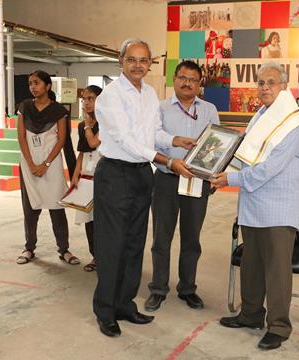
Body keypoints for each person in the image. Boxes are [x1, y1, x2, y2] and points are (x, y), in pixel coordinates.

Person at [92, 38, 194, 338]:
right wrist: (166, 160)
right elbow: (125, 140)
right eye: (132, 59)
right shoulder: (109, 96)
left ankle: (125, 304)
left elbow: (152, 133)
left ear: (151, 63)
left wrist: (175, 141)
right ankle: (105, 310)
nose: (138, 65)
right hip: (115, 174)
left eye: (143, 60)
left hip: (141, 174)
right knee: (112, 245)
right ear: (121, 60)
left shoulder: (150, 93)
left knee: (135, 244)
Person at [211, 62, 299, 351]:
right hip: (254, 204)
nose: (264, 87)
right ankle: (251, 315)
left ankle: (279, 326)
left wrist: (228, 178)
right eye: (260, 82)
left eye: (271, 82)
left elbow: (269, 169)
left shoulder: (293, 125)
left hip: (279, 208)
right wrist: (212, 162)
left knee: (277, 270)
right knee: (252, 265)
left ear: (284, 86)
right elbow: (244, 154)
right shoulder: (261, 116)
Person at [145, 60, 220, 312]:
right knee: (160, 238)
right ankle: (158, 288)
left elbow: (218, 144)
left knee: (191, 239)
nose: (187, 83)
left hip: (197, 182)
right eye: (182, 78)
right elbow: (152, 140)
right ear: (174, 79)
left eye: (193, 79)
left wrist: (214, 174)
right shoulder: (160, 108)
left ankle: (187, 289)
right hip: (166, 180)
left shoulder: (209, 110)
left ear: (200, 84)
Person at [15, 70, 79, 266]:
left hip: (51, 164)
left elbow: (61, 139)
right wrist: (31, 163)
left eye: (36, 83)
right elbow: (21, 137)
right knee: (30, 208)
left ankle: (64, 250)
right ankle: (29, 248)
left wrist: (46, 164)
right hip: (28, 164)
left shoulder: (59, 110)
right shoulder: (24, 107)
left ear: (47, 86)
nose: (32, 87)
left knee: (56, 207)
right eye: (30, 83)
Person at [70, 85, 103, 272]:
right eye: (84, 99)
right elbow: (82, 152)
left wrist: (89, 126)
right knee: (88, 219)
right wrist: (75, 177)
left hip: (104, 177)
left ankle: (107, 257)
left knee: (102, 220)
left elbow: (94, 142)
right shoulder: (82, 125)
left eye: (91, 98)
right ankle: (95, 256)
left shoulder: (107, 122)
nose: (86, 103)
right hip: (86, 176)